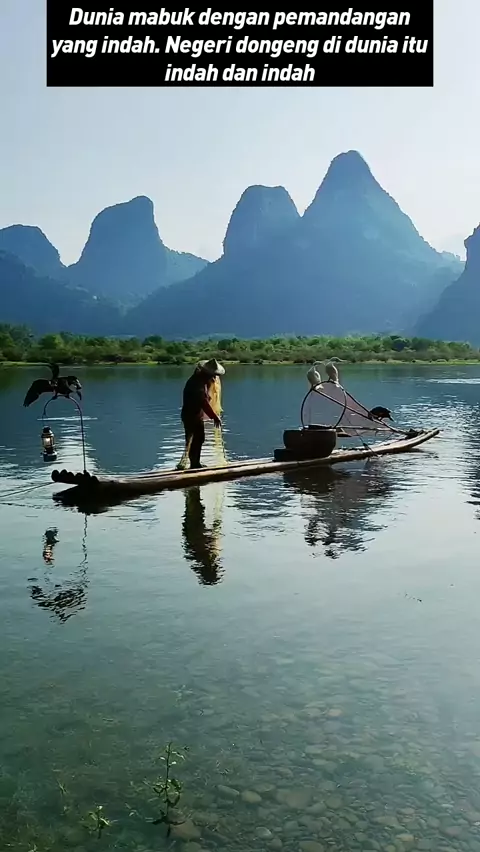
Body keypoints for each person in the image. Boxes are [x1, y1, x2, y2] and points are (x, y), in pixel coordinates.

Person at [180, 359, 225, 469]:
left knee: (197, 438)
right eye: (213, 375)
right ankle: (194, 464)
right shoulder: (197, 384)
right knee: (196, 439)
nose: (214, 378)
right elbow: (204, 403)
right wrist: (214, 417)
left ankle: (195, 462)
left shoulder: (199, 380)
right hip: (191, 415)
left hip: (194, 414)